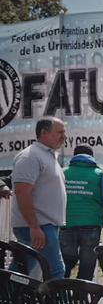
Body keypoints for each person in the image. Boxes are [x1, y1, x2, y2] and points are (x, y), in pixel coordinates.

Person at [10, 117, 67, 280]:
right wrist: (34, 227)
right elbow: (22, 193)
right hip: (39, 225)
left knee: (20, 270)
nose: (64, 136)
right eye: (60, 132)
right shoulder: (30, 157)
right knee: (55, 270)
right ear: (44, 133)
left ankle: (7, 301)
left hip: (42, 225)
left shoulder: (46, 156)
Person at [60, 144, 103, 280]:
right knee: (87, 264)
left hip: (66, 223)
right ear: (92, 157)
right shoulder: (98, 174)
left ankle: (60, 294)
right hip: (91, 225)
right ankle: (81, 297)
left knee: (65, 264)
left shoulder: (63, 172)